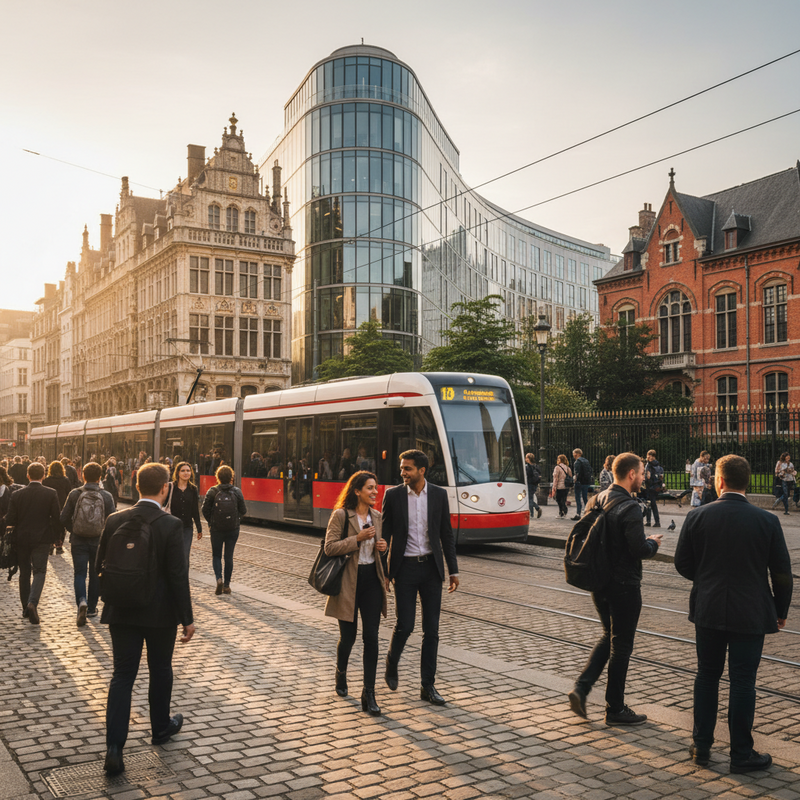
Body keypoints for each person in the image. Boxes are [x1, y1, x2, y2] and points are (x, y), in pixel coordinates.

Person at [675, 454, 792, 773]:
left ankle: (701, 746)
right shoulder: (767, 520)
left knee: (706, 675)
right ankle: (741, 753)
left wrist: (707, 580)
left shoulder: (697, 516)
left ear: (719, 480)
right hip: (751, 612)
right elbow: (782, 572)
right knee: (743, 681)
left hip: (709, 608)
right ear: (747, 482)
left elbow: (682, 563)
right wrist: (780, 609)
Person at [96, 462, 195, 776]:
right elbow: (178, 575)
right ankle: (160, 728)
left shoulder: (115, 519)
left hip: (121, 611)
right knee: (160, 669)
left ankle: (114, 748)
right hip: (159, 613)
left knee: (122, 676)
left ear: (137, 486)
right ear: (165, 488)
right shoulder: (171, 524)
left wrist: (103, 600)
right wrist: (187, 618)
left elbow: (100, 565)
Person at [567, 453, 662, 725]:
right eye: (641, 473)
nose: (643, 477)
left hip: (599, 582)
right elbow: (638, 549)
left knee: (609, 635)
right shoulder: (630, 507)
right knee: (621, 646)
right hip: (624, 585)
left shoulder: (596, 499)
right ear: (631, 474)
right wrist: (653, 543)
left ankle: (581, 688)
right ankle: (615, 709)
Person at [383, 449, 459, 705]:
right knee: (405, 625)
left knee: (432, 630)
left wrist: (453, 570)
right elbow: (384, 536)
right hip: (404, 569)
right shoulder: (393, 495)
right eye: (402, 468)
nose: (402, 473)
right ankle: (391, 661)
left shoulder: (438, 494)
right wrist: (384, 572)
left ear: (422, 470)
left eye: (408, 468)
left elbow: (446, 534)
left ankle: (428, 686)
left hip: (430, 569)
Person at [324, 471, 388, 715]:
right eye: (370, 488)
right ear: (357, 491)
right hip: (348, 582)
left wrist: (383, 547)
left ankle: (369, 693)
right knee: (348, 637)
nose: (375, 492)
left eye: (375, 487)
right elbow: (329, 548)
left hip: (372, 580)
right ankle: (341, 672)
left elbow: (378, 550)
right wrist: (357, 539)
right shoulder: (341, 515)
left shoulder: (377, 516)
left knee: (371, 637)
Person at [4, 462, 61, 624]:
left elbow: (10, 519)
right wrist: (57, 537)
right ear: (43, 475)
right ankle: (32, 602)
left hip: (21, 538)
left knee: (24, 572)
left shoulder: (17, 494)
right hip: (42, 538)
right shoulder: (51, 493)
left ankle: (25, 608)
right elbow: (56, 518)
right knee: (40, 571)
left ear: (28, 476)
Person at [61, 462, 116, 627]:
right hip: (98, 541)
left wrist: (74, 530)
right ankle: (92, 608)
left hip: (78, 540)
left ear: (83, 476)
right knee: (95, 574)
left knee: (79, 574)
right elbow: (112, 520)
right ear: (100, 477)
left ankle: (81, 602)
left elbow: (63, 517)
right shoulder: (106, 496)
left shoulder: (75, 494)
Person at [202, 465, 247, 595]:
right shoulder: (237, 492)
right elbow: (243, 510)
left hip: (216, 529)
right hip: (233, 529)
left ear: (217, 477)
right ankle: (227, 586)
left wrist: (212, 522)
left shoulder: (212, 491)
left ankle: (219, 579)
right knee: (229, 556)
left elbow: (204, 510)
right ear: (231, 477)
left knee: (216, 555)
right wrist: (236, 520)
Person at [165, 462, 202, 566]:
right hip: (172, 527)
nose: (186, 473)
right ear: (178, 473)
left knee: (185, 554)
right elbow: (164, 505)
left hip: (187, 527)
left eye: (188, 471)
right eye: (183, 471)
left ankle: (184, 576)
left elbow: (195, 510)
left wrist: (199, 528)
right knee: (173, 554)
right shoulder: (170, 487)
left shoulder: (193, 489)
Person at [43, 460, 72, 555]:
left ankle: (50, 544)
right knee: (61, 525)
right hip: (62, 504)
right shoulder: (65, 480)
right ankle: (59, 545)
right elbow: (69, 492)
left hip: (49, 504)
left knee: (50, 524)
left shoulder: (46, 480)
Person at [643, 450, 664, 528]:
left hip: (650, 487)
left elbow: (647, 478)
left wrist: (646, 479)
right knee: (652, 504)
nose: (648, 457)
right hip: (656, 487)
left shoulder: (648, 465)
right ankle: (654, 521)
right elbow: (661, 477)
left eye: (649, 455)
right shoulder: (658, 466)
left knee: (649, 504)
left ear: (652, 456)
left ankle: (651, 521)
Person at [571, 449, 593, 520]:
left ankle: (578, 513)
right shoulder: (586, 461)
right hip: (586, 482)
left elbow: (576, 473)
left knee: (578, 498)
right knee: (585, 497)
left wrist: (574, 481)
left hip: (579, 482)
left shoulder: (577, 462)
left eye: (574, 454)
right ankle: (588, 512)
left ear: (576, 454)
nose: (573, 455)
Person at [551, 455, 572, 519]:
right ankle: (563, 511)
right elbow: (570, 476)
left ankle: (562, 511)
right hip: (566, 486)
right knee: (563, 499)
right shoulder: (568, 468)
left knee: (558, 499)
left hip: (559, 486)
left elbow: (555, 478)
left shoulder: (557, 467)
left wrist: (554, 487)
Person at [524, 453, 542, 519]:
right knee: (530, 498)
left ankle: (532, 512)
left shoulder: (527, 467)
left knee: (529, 499)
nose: (525, 459)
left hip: (529, 483)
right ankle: (535, 510)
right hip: (535, 484)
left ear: (528, 459)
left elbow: (527, 476)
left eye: (526, 458)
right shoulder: (536, 466)